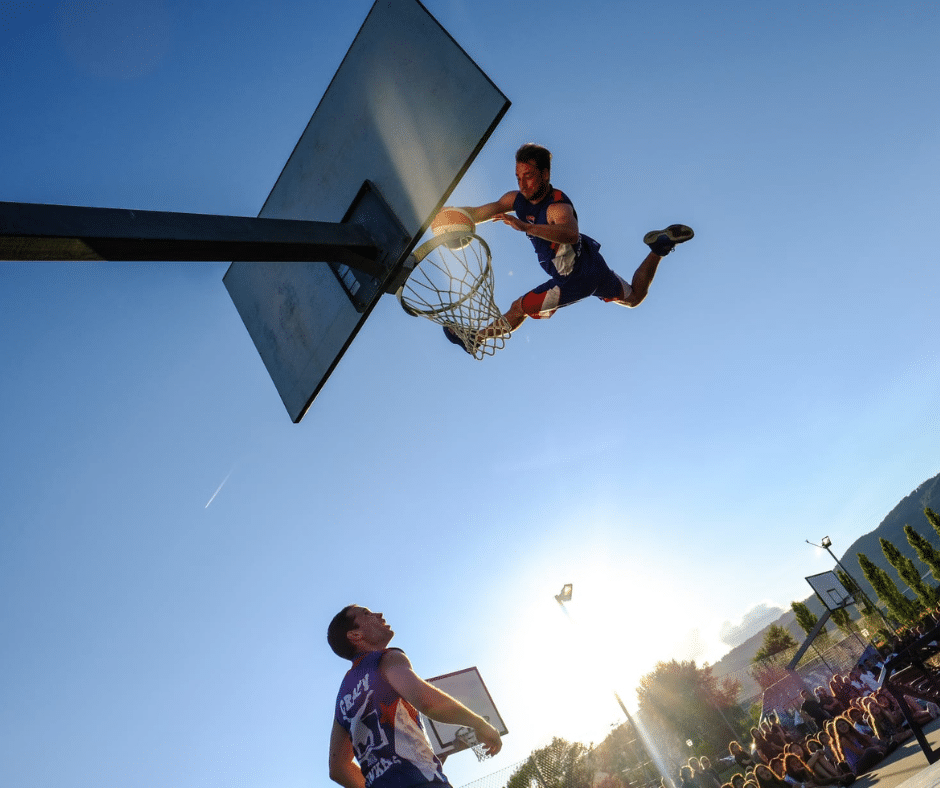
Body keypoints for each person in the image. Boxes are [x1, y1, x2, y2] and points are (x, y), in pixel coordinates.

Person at [441, 143, 693, 353]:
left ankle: (476, 339)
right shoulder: (515, 199)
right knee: (635, 297)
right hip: (593, 264)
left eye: (528, 176)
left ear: (546, 175)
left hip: (574, 280)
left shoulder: (557, 206)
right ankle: (660, 247)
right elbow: (477, 212)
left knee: (519, 308)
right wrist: (441, 216)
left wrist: (526, 227)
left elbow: (570, 234)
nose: (523, 184)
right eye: (518, 177)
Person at [328, 605, 502, 788]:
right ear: (355, 635)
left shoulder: (343, 697)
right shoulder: (386, 659)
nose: (378, 614)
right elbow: (427, 702)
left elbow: (338, 768)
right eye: (366, 614)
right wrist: (480, 724)